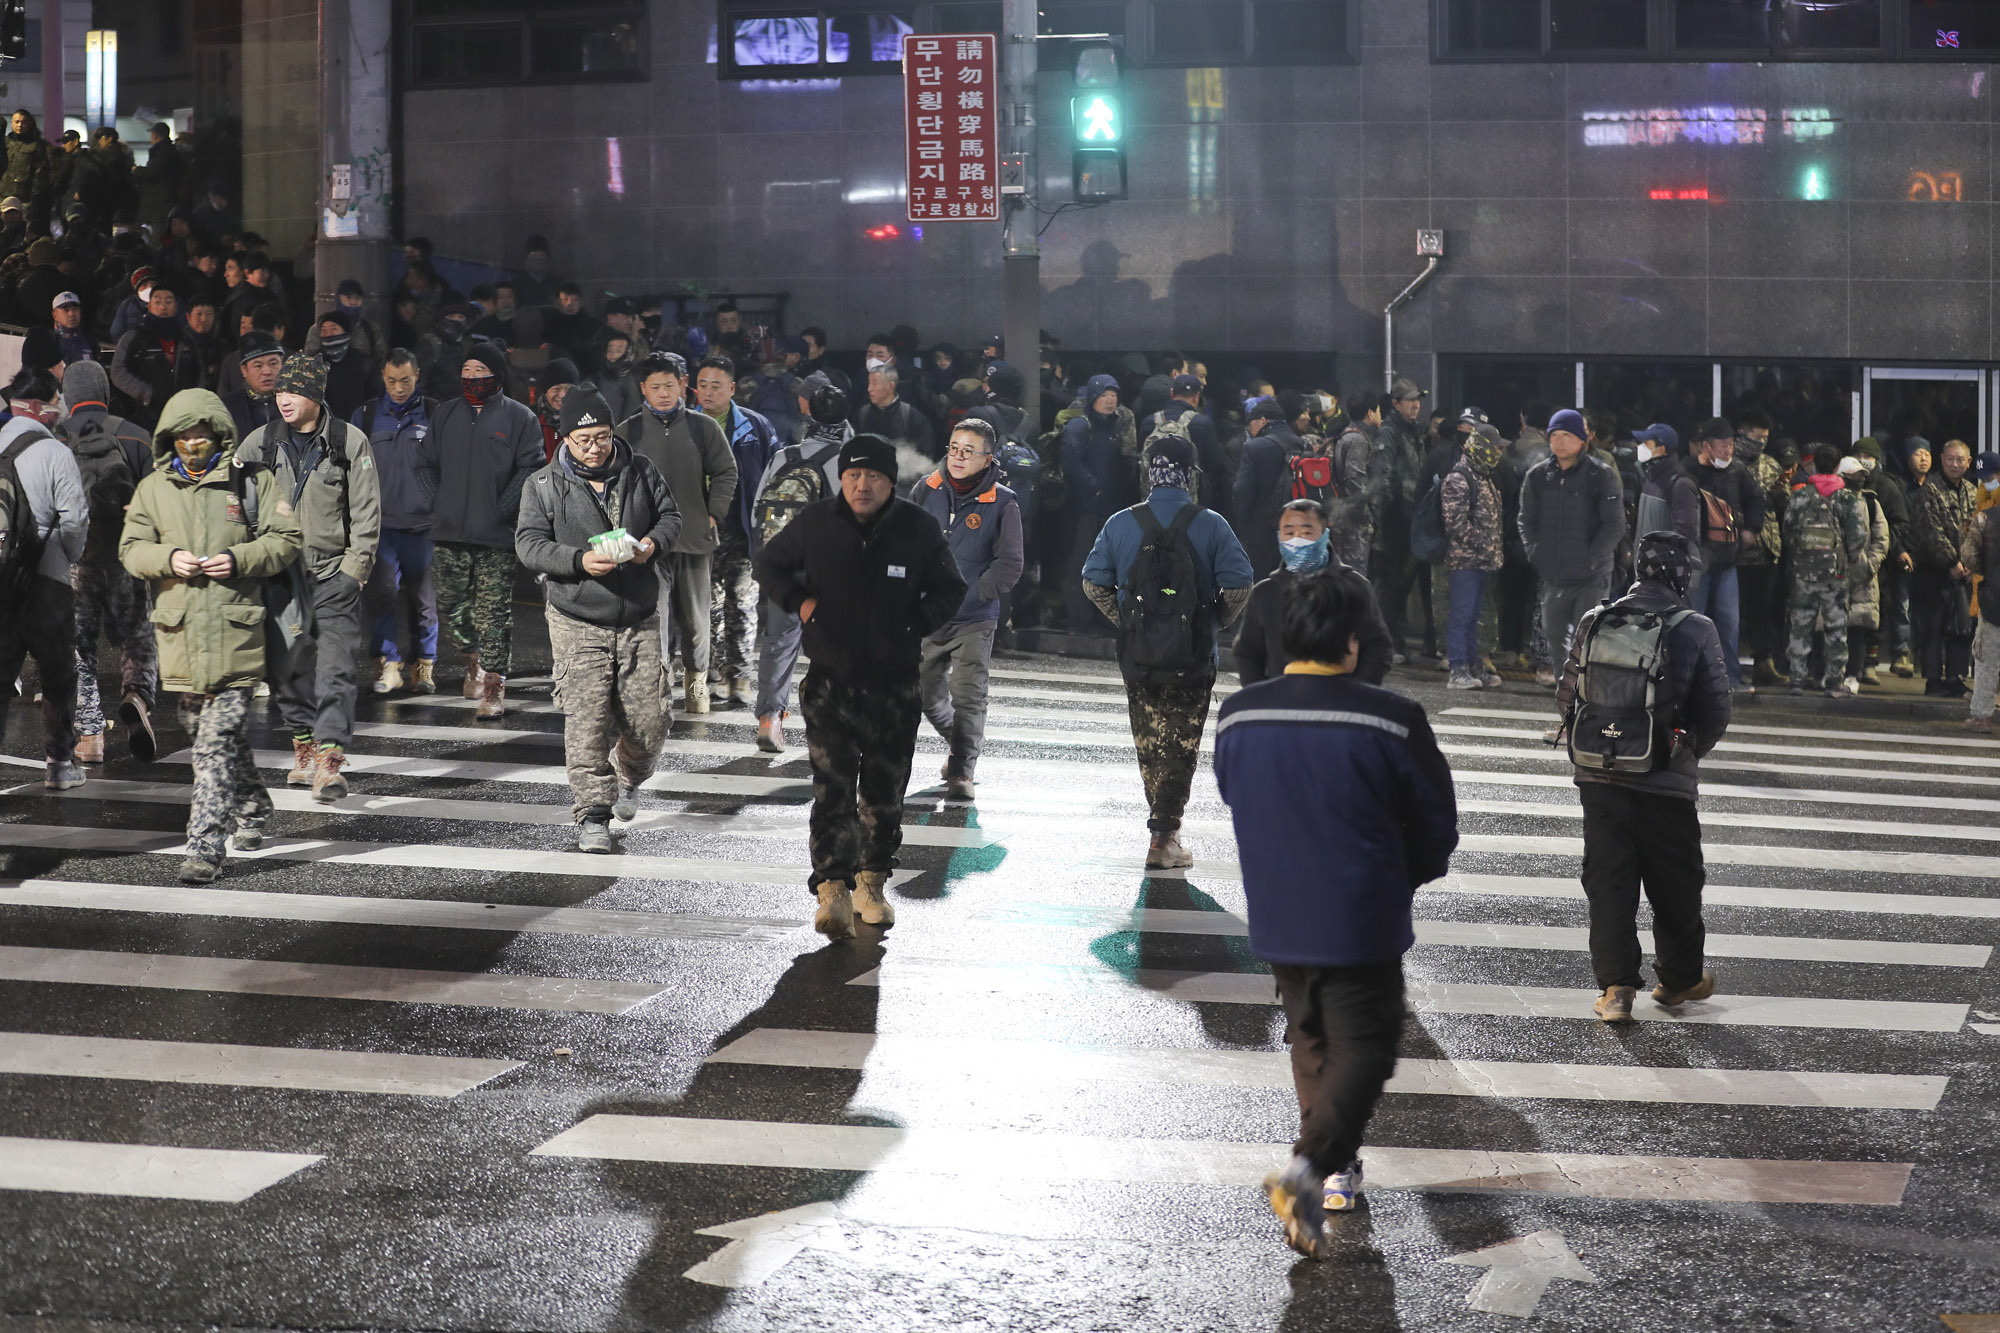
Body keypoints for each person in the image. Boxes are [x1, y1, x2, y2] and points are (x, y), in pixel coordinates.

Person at [1215, 571, 1458, 1256]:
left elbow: (1237, 795)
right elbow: (1437, 827)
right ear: (1351, 641)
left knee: (1313, 1037)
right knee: (1368, 1045)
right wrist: (1396, 876)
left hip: (1276, 912)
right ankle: (1309, 1170)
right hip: (1359, 916)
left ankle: (1320, 1178)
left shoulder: (1240, 714)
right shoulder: (1391, 718)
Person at [752, 433, 966, 939]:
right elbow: (768, 563)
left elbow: (950, 588)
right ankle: (832, 889)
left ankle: (871, 882)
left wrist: (915, 622)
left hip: (894, 690)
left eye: (872, 476)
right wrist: (802, 603)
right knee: (833, 793)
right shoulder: (817, 522)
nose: (861, 485)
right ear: (841, 479)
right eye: (852, 475)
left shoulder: (918, 528)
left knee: (884, 796)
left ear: (890, 482)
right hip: (831, 686)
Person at [119, 389, 303, 882]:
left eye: (202, 434)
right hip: (181, 644)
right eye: (184, 436)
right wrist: (167, 559)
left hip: (237, 639)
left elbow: (287, 539)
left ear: (219, 434)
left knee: (212, 746)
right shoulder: (153, 489)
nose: (193, 443)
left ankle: (204, 848)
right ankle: (255, 806)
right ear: (170, 439)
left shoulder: (252, 481)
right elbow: (131, 548)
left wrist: (241, 559)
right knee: (212, 740)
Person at [1554, 529, 1731, 1024]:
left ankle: (1615, 990)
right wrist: (1684, 752)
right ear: (1681, 574)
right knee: (1675, 881)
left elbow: (1567, 697)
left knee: (1609, 880)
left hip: (1599, 777)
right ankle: (1678, 981)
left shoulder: (1596, 619)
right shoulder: (1696, 627)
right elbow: (1716, 709)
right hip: (1665, 783)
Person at [515, 387, 682, 852]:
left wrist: (651, 544)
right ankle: (593, 815)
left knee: (650, 724)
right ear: (564, 437)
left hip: (638, 615)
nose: (594, 447)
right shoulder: (543, 486)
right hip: (576, 617)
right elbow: (528, 544)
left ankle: (629, 773)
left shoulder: (641, 470)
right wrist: (577, 561)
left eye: (603, 437)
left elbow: (670, 516)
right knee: (586, 722)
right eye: (583, 438)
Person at [1082, 436, 1255, 868]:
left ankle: (1162, 827)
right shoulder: (1211, 523)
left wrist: (1126, 620)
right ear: (1191, 475)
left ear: (1148, 472)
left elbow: (1092, 581)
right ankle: (1164, 837)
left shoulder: (1122, 522)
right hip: (1193, 658)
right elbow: (1239, 583)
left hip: (1138, 657)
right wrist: (1214, 620)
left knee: (1149, 743)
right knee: (1180, 744)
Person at [236, 355, 380, 801]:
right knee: (289, 671)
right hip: (278, 578)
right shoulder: (259, 444)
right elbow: (233, 504)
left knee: (335, 669)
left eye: (293, 392)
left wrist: (354, 572)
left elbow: (366, 512)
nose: (283, 399)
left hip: (332, 575)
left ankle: (330, 761)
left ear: (316, 394)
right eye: (279, 391)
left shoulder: (347, 441)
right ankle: (304, 744)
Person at [428, 339, 544, 718]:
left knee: (494, 614)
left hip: (496, 535)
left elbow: (529, 467)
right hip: (449, 532)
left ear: (497, 375)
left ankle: (493, 685)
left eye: (481, 371)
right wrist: (437, 500)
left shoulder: (518, 417)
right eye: (467, 371)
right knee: (450, 606)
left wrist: (503, 508)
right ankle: (472, 659)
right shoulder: (445, 414)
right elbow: (423, 463)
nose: (472, 377)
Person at [912, 417, 1024, 801]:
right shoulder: (926, 489)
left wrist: (970, 594)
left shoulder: (1004, 502)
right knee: (924, 694)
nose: (958, 457)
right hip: (927, 616)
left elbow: (1009, 564)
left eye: (968, 451)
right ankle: (960, 742)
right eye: (954, 448)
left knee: (969, 695)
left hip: (974, 618)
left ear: (987, 459)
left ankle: (962, 769)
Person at [620, 350, 737, 715]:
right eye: (655, 387)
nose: (664, 393)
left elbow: (725, 472)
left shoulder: (704, 429)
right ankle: (658, 686)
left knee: (696, 621)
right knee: (655, 619)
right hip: (647, 544)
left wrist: (713, 514)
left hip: (692, 540)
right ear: (644, 389)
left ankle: (696, 682)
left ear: (682, 385)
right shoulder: (629, 431)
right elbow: (614, 482)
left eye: (670, 385)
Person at [54, 359, 158, 764]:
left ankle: (91, 734)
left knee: (80, 648)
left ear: (68, 397)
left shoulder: (57, 440)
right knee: (137, 639)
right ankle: (136, 698)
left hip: (75, 561)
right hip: (128, 558)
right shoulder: (136, 437)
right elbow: (156, 502)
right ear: (105, 390)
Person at [749, 376, 850, 752]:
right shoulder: (845, 461)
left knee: (779, 642)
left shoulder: (782, 457)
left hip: (783, 565)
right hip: (825, 570)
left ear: (807, 417)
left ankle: (769, 719)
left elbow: (758, 508)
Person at [0, 404, 88, 788]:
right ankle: (59, 764)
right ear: (45, 408)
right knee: (57, 675)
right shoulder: (56, 452)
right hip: (47, 579)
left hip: (2, 579)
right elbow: (74, 519)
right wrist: (67, 557)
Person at [692, 352, 776, 708]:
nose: (708, 393)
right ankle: (711, 675)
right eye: (702, 385)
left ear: (732, 388)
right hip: (699, 530)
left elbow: (774, 478)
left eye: (716, 386)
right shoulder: (686, 425)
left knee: (742, 604)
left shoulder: (755, 427)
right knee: (706, 607)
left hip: (742, 529)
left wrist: (768, 528)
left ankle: (738, 676)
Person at [1234, 499, 1392, 687]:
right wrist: (1259, 695)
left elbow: (1378, 647)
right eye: (1289, 533)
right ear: (1279, 537)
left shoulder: (1355, 587)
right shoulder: (1265, 592)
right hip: (1280, 703)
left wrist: (1358, 692)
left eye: (1307, 532)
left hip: (1341, 704)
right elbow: (1247, 651)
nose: (1297, 540)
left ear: (1325, 534)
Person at [1518, 408, 1623, 686]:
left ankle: (1587, 712)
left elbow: (1614, 525)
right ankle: (1567, 716)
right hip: (1554, 575)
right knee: (1555, 643)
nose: (1560, 441)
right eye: (1554, 435)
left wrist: (1590, 559)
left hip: (1592, 576)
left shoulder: (1600, 475)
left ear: (1582, 439)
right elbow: (1525, 520)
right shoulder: (1538, 476)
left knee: (1584, 641)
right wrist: (1535, 553)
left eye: (1567, 435)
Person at [355, 349, 438, 695]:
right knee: (382, 597)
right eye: (392, 380)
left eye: (405, 380)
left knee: (425, 602)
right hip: (382, 525)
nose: (399, 388)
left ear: (417, 375)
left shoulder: (435, 413)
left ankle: (424, 667)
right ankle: (388, 665)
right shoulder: (367, 415)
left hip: (424, 525)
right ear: (383, 378)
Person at [1685, 418, 1764, 694]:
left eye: (1731, 445)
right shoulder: (1689, 472)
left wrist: (1752, 529)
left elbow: (1756, 500)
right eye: (1723, 446)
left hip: (1727, 560)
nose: (1728, 451)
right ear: (1706, 446)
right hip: (1698, 562)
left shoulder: (1738, 471)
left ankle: (1732, 677)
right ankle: (1691, 679)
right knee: (1695, 621)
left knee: (1728, 622)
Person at [1783, 444, 1868, 697]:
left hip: (1804, 572)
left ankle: (1797, 678)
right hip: (1836, 575)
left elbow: (1788, 530)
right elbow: (1858, 535)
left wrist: (1798, 555)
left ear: (1815, 465)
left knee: (1800, 625)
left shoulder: (1800, 496)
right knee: (1836, 628)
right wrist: (1849, 558)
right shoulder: (1847, 498)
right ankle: (1834, 680)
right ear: (1837, 466)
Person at [1061, 373, 1140, 634]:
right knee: (1079, 564)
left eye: (1114, 395)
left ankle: (1098, 618)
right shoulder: (1080, 426)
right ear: (1093, 396)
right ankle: (1078, 620)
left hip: (1107, 510)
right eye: (1104, 395)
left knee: (1104, 566)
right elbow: (1070, 461)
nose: (1110, 400)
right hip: (1084, 509)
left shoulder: (1113, 428)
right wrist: (1093, 486)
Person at [1911, 439, 1979, 696]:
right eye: (1950, 459)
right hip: (1935, 570)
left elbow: (1980, 530)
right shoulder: (1930, 490)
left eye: (1960, 460)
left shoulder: (1973, 492)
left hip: (1965, 573)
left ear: (1968, 463)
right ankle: (1933, 679)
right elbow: (1930, 530)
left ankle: (1955, 677)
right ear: (1941, 459)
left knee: (1962, 627)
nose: (1955, 464)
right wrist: (1951, 562)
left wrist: (1971, 563)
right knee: (1933, 627)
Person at [1442, 424, 1505, 689]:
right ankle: (1457, 669)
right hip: (1465, 561)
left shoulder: (1483, 476)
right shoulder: (1460, 477)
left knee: (1473, 616)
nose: (1499, 451)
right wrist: (1484, 543)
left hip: (1482, 561)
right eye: (1496, 446)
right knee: (1461, 615)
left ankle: (1472, 665)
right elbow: (1455, 523)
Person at [1368, 378, 1426, 662]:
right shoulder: (1390, 432)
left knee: (1402, 584)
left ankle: (1395, 638)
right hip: (1395, 521)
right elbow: (1381, 479)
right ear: (1395, 403)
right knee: (1392, 583)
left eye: (1418, 399)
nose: (1416, 404)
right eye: (1410, 400)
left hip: (1410, 519)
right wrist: (1383, 521)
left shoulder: (1412, 431)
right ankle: (1386, 641)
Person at [1233, 392, 1311, 578]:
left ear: (1262, 421)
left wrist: (1243, 523)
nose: (1249, 430)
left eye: (1250, 423)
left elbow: (1241, 490)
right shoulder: (1301, 444)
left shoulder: (1254, 447)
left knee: (1263, 581)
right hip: (1295, 526)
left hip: (1262, 529)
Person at [109, 280, 203, 430]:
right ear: (149, 305)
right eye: (157, 301)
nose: (163, 306)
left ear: (176, 306)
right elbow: (118, 372)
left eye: (168, 301)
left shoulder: (187, 340)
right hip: (144, 417)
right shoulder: (133, 338)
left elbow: (199, 372)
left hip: (183, 418)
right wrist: (146, 394)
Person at [1837, 454, 1891, 688]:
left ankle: (1853, 674)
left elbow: (1882, 537)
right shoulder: (1830, 499)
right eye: (1854, 475)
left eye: (1861, 475)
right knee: (1832, 624)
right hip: (1834, 573)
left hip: (1863, 575)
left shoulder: (1871, 503)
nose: (1859, 479)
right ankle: (1829, 672)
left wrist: (1871, 563)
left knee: (1858, 626)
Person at [1964, 472, 2000, 732]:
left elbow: (1969, 556)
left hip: (1995, 599)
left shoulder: (1985, 519)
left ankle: (1982, 717)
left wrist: (1986, 570)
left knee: (1987, 660)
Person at [221, 330, 285, 441]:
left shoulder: (299, 401)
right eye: (258, 365)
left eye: (273, 363)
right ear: (244, 370)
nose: (267, 371)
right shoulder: (228, 407)